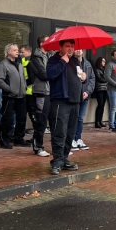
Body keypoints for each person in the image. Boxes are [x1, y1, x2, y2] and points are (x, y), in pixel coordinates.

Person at [46, 39, 86, 174]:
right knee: (59, 132)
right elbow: (50, 75)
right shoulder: (54, 60)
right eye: (67, 46)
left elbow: (79, 76)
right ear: (61, 47)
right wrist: (62, 61)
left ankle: (64, 159)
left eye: (72, 46)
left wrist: (83, 77)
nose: (70, 49)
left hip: (75, 102)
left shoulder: (75, 61)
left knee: (70, 133)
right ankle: (56, 161)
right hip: (60, 102)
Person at [0, 44, 27, 149]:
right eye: (14, 50)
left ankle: (19, 139)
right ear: (8, 52)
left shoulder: (19, 63)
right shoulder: (3, 64)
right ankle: (4, 140)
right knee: (7, 119)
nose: (17, 52)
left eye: (17, 50)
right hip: (9, 96)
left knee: (22, 118)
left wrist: (24, 87)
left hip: (21, 95)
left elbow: (22, 77)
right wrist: (9, 89)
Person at [27, 36, 51, 157]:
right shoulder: (36, 58)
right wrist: (55, 73)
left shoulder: (49, 56)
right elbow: (44, 74)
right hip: (41, 93)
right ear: (42, 44)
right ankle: (38, 147)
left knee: (53, 122)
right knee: (40, 121)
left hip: (51, 93)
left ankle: (57, 147)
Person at [73, 49, 94, 151]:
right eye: (76, 49)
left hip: (85, 96)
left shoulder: (88, 64)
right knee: (73, 118)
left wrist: (88, 92)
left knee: (80, 118)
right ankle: (71, 139)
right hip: (74, 96)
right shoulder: (70, 63)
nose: (78, 51)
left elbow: (92, 80)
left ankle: (78, 138)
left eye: (80, 49)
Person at [105, 50, 116, 133]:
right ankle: (111, 126)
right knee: (114, 108)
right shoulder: (110, 65)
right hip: (113, 90)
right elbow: (107, 77)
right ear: (112, 56)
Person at [93, 57, 108, 128]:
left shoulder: (104, 70)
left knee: (103, 106)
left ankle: (100, 120)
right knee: (100, 105)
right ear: (99, 62)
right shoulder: (96, 69)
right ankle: (97, 122)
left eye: (104, 61)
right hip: (99, 89)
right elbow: (99, 78)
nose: (104, 63)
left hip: (105, 89)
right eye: (103, 61)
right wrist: (106, 79)